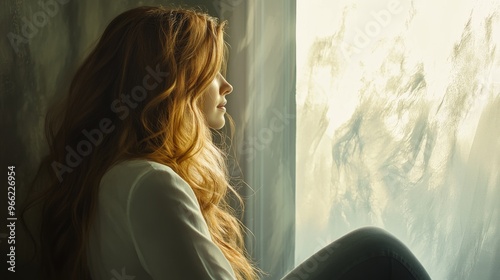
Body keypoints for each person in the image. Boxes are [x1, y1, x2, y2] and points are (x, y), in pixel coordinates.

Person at [23, 6, 431, 280]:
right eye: (213, 72)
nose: (227, 85)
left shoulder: (112, 180)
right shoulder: (148, 183)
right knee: (378, 250)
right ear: (174, 85)